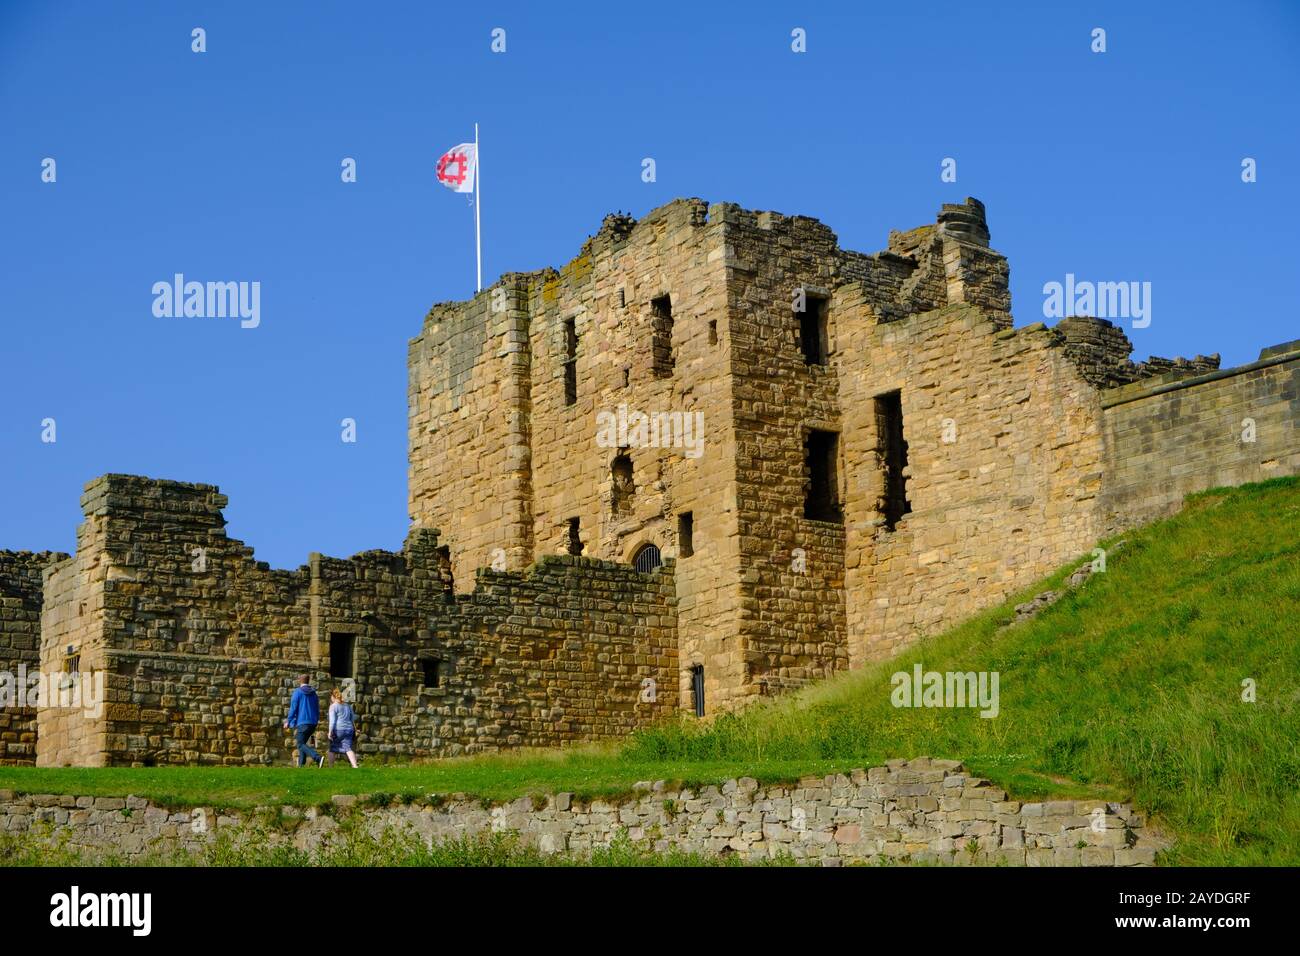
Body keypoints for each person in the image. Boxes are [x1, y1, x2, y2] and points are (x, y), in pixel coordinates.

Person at [283, 674, 323, 768]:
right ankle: (301, 765)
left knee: (300, 744)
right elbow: (317, 708)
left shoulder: (298, 692)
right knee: (303, 743)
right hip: (313, 723)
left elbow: (293, 708)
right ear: (308, 681)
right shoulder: (314, 693)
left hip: (303, 722)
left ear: (299, 681)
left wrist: (288, 721)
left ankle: (318, 758)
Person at [327, 688, 359, 768]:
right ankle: (355, 766)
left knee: (332, 748)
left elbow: (332, 721)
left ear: (333, 697)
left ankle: (330, 767)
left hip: (338, 730)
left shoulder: (333, 706)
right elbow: (352, 718)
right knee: (348, 748)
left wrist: (330, 732)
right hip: (349, 729)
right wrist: (355, 729)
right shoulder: (348, 706)